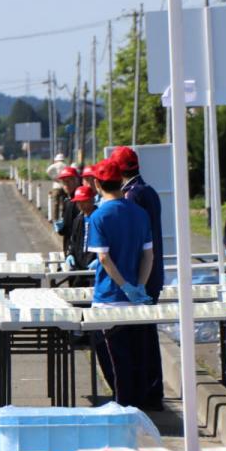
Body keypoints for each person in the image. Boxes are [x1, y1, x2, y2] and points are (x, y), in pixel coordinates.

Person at [85, 159, 155, 409]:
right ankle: (138, 409)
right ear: (121, 181)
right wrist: (139, 287)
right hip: (136, 301)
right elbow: (149, 255)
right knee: (136, 359)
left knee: (116, 364)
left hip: (108, 299)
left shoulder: (98, 216)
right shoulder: (139, 213)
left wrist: (124, 285)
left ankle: (123, 411)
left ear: (97, 183)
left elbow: (103, 257)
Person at [110, 146, 164, 410]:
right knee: (147, 336)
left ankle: (145, 394)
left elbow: (133, 243)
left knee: (138, 339)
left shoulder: (132, 196)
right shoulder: (150, 191)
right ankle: (153, 391)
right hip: (154, 275)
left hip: (140, 277)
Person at [66, 183, 97, 281]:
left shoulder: (100, 218)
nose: (81, 205)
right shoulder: (78, 219)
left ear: (92, 200)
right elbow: (73, 240)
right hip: (79, 267)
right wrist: (70, 254)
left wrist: (100, 260)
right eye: (78, 202)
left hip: (95, 268)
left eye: (84, 201)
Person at [54, 166, 81, 253]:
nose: (66, 185)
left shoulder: (77, 201)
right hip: (70, 245)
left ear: (76, 180)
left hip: (75, 248)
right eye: (64, 182)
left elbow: (72, 229)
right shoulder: (67, 199)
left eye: (69, 181)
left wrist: (70, 251)